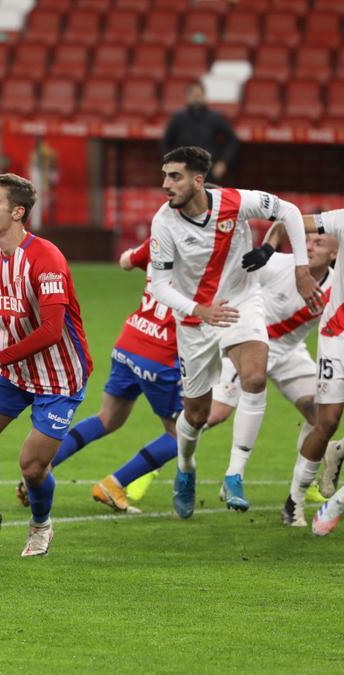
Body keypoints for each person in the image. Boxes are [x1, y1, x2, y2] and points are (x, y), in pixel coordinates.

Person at [147, 146, 319, 518]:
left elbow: (288, 211)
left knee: (254, 378)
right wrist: (200, 310)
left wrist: (292, 263)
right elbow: (159, 285)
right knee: (196, 414)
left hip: (241, 301)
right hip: (195, 320)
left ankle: (234, 475)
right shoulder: (164, 222)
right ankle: (186, 468)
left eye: (174, 176)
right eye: (164, 176)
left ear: (197, 180)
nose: (165, 185)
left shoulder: (235, 201)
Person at [0, 173, 91, 558]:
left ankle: (41, 526)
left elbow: (51, 329)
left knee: (31, 466)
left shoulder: (47, 259)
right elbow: (2, 300)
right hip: (16, 373)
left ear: (17, 212)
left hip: (59, 378)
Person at [32, 238, 181, 514]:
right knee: (180, 434)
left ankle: (38, 470)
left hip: (131, 339)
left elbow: (125, 261)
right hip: (161, 352)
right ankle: (114, 485)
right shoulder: (209, 258)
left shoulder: (161, 239)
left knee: (107, 418)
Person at [202, 230, 336, 525]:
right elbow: (234, 281)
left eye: (319, 243)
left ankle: (298, 495)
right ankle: (155, 464)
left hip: (288, 352)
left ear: (335, 255)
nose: (309, 246)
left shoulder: (336, 286)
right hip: (252, 345)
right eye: (308, 241)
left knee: (320, 414)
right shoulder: (279, 265)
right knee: (212, 415)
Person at [285, 209, 344, 531]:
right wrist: (297, 266)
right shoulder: (342, 220)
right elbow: (292, 221)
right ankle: (295, 501)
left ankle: (338, 460)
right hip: (339, 336)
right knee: (327, 422)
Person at [162, 82, 238, 183]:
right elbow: (165, 143)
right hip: (184, 171)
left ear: (204, 96)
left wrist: (223, 163)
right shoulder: (178, 118)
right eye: (193, 94)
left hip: (209, 171)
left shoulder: (215, 117)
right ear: (187, 96)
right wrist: (172, 164)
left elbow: (232, 140)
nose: (196, 97)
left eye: (199, 94)